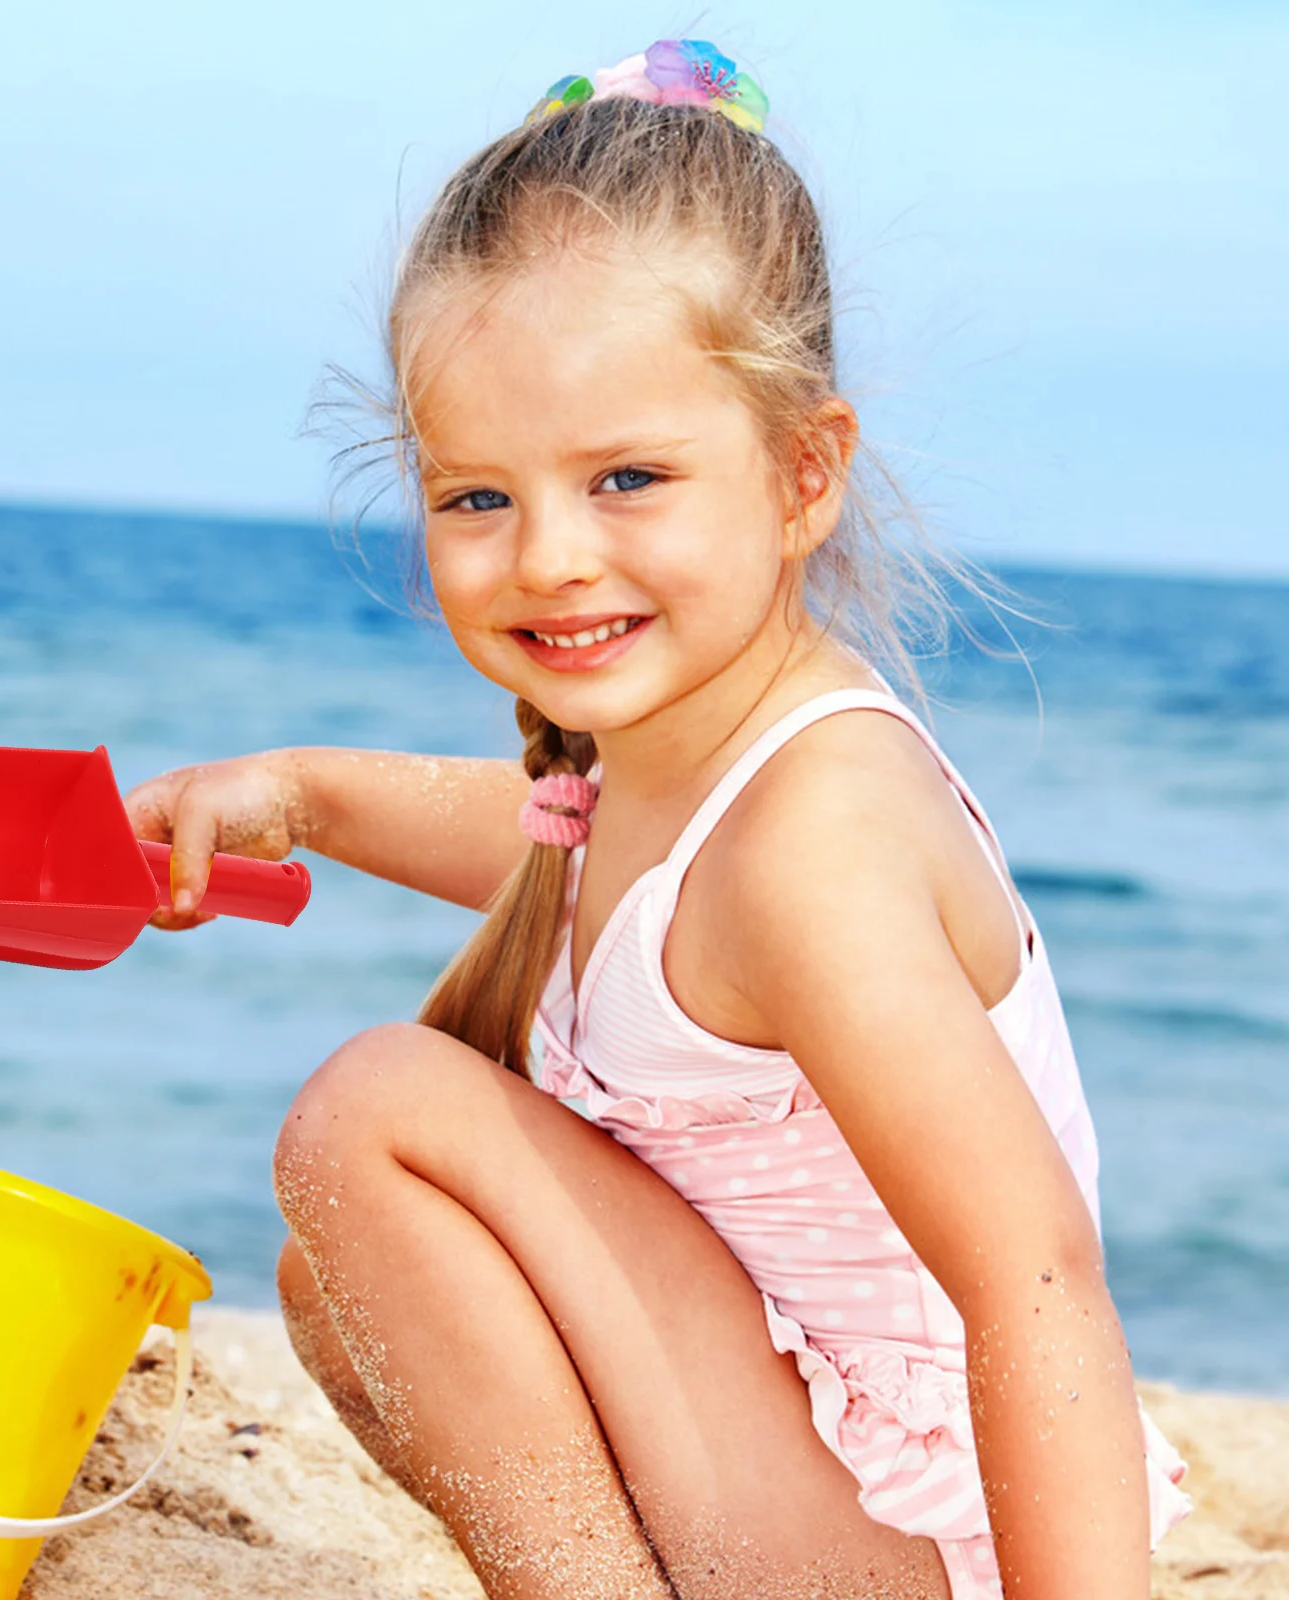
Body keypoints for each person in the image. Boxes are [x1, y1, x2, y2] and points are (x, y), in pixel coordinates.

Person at [124, 41, 1191, 1599]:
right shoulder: (674, 786)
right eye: (475, 496)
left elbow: (1035, 1286)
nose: (547, 556)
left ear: (803, 471)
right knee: (338, 1274)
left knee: (375, 1109)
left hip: (905, 1539)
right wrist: (298, 797)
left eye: (626, 477)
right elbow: (559, 854)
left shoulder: (816, 840)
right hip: (792, 1490)